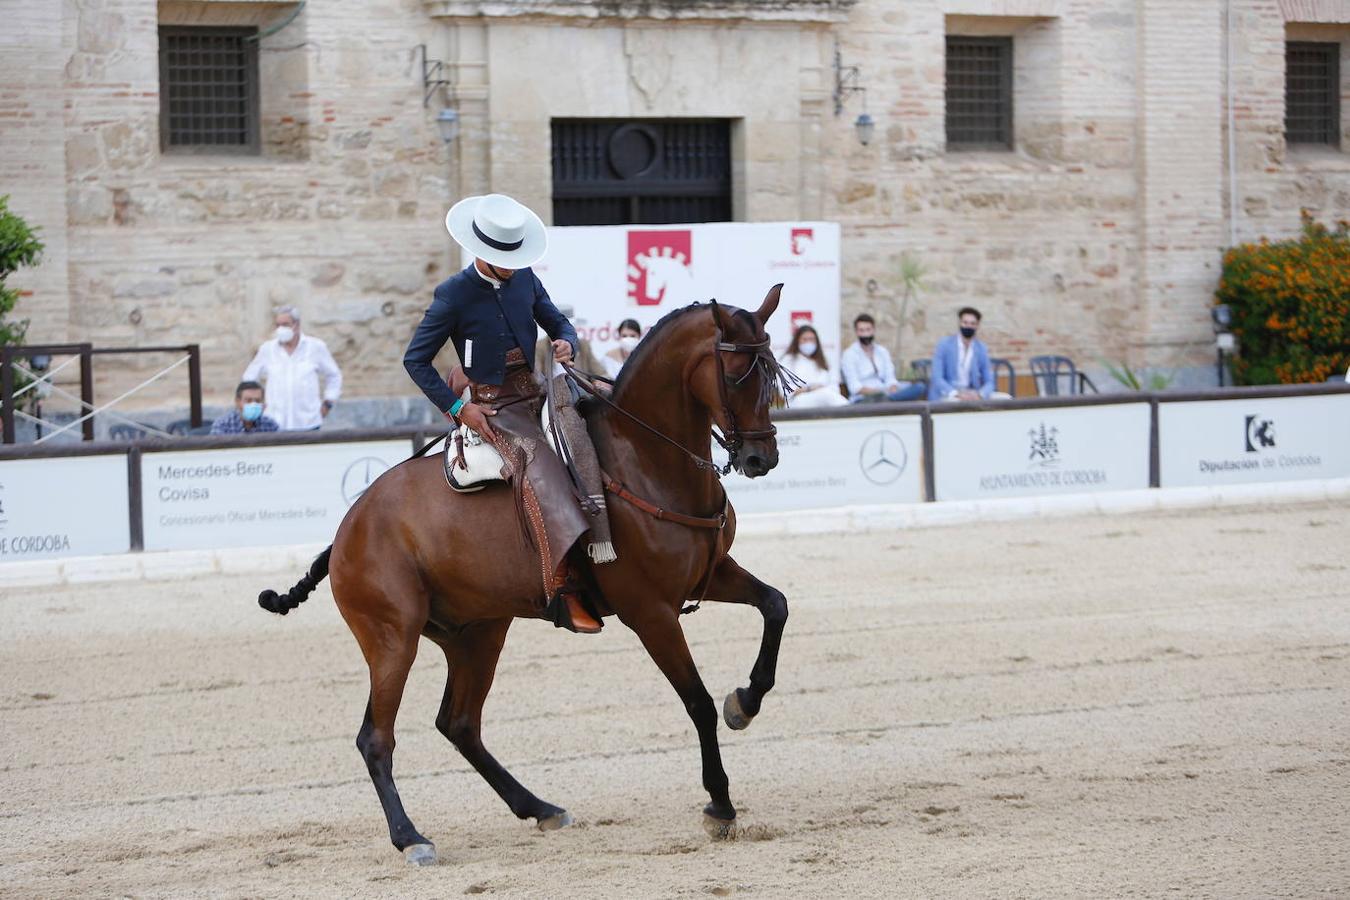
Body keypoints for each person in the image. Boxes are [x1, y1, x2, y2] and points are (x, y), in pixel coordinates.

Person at [403, 193, 602, 634]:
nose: (510, 266)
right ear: (480, 252)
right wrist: (459, 407)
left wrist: (567, 340)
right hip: (492, 405)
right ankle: (560, 589)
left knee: (597, 432)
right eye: (502, 259)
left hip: (537, 389)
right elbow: (415, 360)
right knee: (541, 469)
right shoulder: (452, 294)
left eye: (513, 258)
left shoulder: (526, 278)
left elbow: (557, 322)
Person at [241, 305, 343, 430]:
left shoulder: (315, 347)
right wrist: (256, 404)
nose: (281, 329)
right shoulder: (267, 349)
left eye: (285, 324)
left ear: (296, 325)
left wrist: (328, 402)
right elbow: (249, 378)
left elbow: (334, 375)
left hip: (307, 422)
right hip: (274, 423)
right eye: (277, 325)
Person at [840, 313, 925, 402]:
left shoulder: (882, 351)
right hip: (865, 397)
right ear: (857, 332)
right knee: (879, 398)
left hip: (887, 391)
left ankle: (888, 400)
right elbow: (855, 388)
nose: (865, 334)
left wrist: (892, 387)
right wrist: (879, 392)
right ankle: (888, 400)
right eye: (861, 330)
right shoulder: (849, 355)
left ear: (873, 330)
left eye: (868, 330)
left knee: (919, 387)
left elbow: (890, 377)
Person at [930, 306, 997, 401]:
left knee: (1006, 399)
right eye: (965, 322)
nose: (968, 326)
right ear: (960, 323)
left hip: (972, 394)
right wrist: (956, 394)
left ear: (977, 326)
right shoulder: (944, 345)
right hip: (948, 394)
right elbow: (937, 378)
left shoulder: (981, 348)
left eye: (972, 323)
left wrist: (980, 394)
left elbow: (990, 381)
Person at [779, 324, 847, 409]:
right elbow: (786, 391)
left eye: (811, 339)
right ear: (797, 341)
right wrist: (810, 389)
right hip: (798, 402)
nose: (808, 342)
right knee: (826, 394)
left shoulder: (824, 360)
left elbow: (834, 386)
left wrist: (820, 389)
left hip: (826, 400)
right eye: (805, 339)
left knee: (834, 398)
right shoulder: (787, 360)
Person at [534, 303, 602, 377]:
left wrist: (598, 382)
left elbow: (601, 373)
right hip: (551, 387)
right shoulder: (540, 347)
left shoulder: (582, 345)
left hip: (578, 387)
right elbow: (536, 377)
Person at [210, 380, 280, 434]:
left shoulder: (270, 425)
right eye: (248, 401)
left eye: (258, 401)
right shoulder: (223, 425)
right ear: (237, 402)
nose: (253, 404)